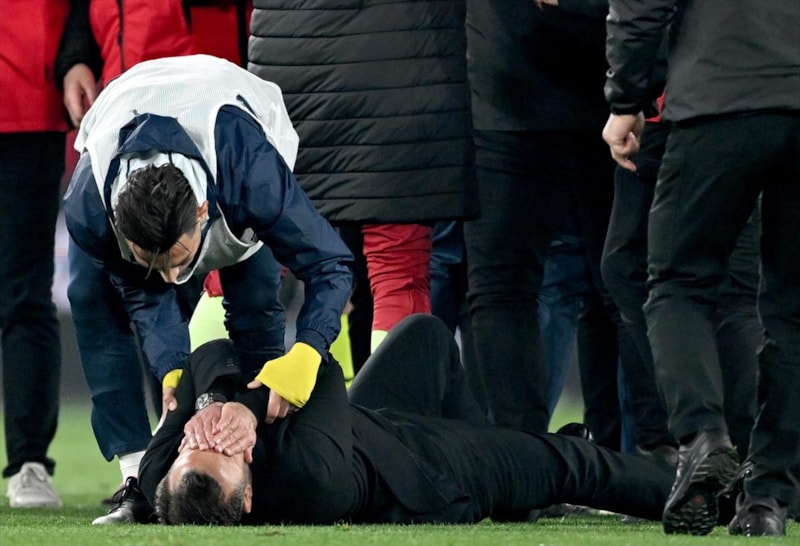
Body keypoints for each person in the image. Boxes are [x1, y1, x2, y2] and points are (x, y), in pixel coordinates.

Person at [62, 54, 353, 522]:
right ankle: (135, 476)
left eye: (179, 261)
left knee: (256, 308)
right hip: (126, 105)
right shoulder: (90, 207)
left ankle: (251, 466)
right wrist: (170, 363)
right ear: (118, 223)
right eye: (150, 261)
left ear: (201, 214)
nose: (172, 280)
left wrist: (307, 351)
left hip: (230, 128)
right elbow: (143, 293)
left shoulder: (252, 176)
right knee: (92, 297)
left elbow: (330, 265)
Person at [136, 314, 676, 525]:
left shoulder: (166, 480)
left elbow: (207, 353)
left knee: (426, 337)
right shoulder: (311, 481)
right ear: (250, 496)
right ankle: (693, 491)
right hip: (424, 473)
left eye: (196, 443)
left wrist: (211, 403)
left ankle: (518, 485)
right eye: (228, 451)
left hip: (363, 424)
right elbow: (320, 369)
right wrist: (247, 411)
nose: (214, 437)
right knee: (571, 461)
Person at [603, 0, 800, 537]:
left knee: (676, 282)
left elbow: (640, 7)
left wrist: (625, 99)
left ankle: (702, 436)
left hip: (720, 96)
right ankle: (768, 499)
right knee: (791, 313)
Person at [248, 0, 478, 353]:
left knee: (249, 259)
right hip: (399, 72)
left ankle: (204, 386)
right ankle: (395, 392)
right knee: (398, 269)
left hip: (287, 67)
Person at [0, 0, 70, 509]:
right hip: (32, 96)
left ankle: (29, 463)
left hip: (29, 104)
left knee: (25, 293)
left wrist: (72, 59)